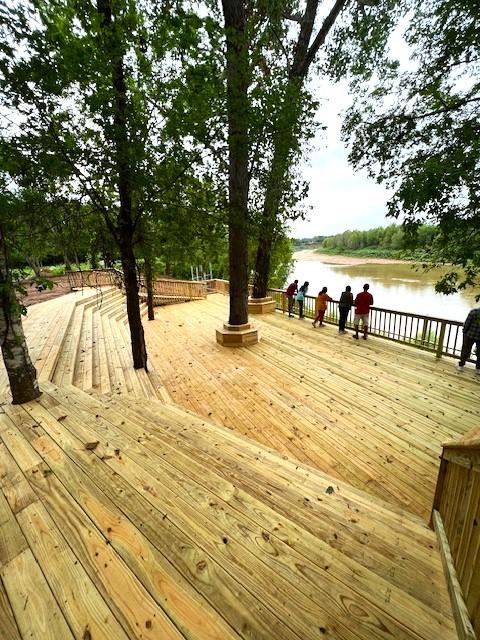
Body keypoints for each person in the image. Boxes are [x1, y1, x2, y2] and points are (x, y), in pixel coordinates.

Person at [456, 306, 480, 374]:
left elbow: (467, 324)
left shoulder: (474, 312)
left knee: (465, 350)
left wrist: (464, 331)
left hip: (469, 335)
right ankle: (478, 369)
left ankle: (461, 366)